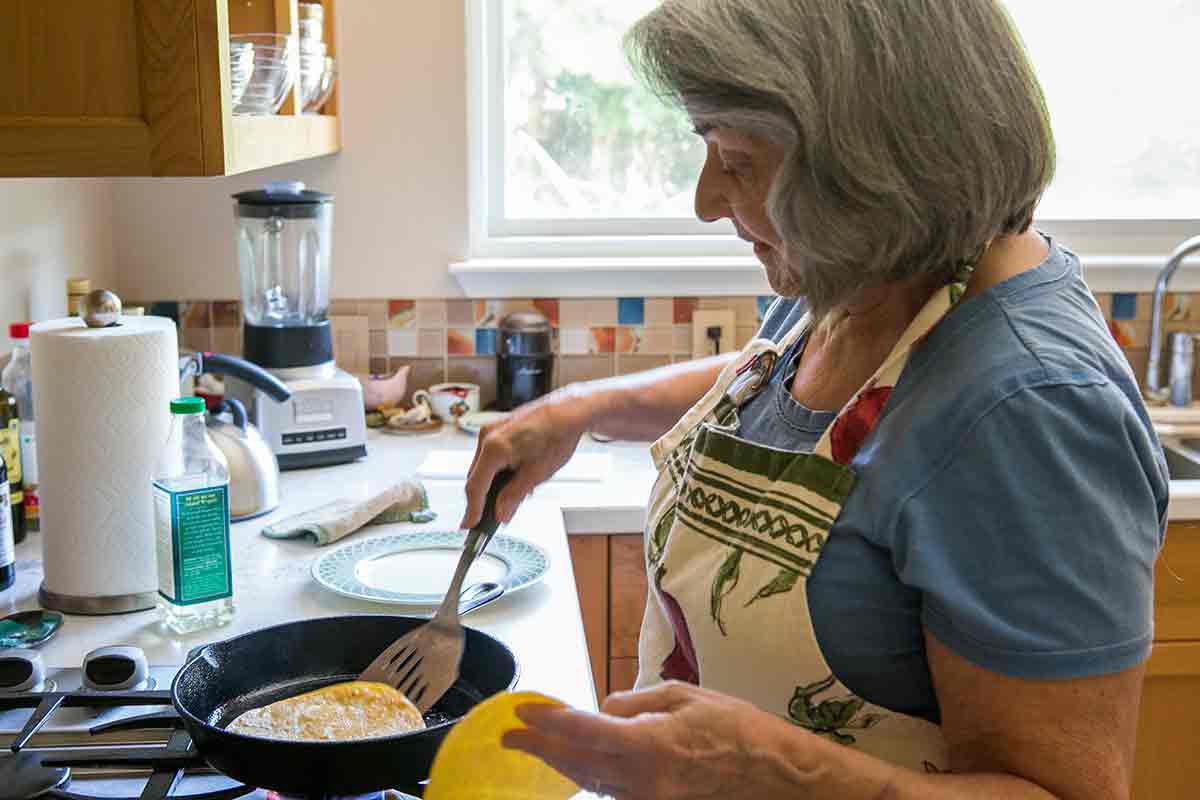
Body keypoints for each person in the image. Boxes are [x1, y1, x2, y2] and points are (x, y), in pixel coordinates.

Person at [461, 1, 1168, 797]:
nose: (704, 200)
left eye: (737, 161)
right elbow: (781, 387)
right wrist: (584, 410)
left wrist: (764, 770)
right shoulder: (875, 269)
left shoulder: (1029, 411)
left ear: (875, 163)